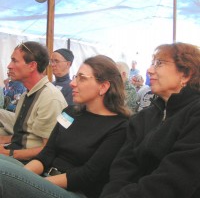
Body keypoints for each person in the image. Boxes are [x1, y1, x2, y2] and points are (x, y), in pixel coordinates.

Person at [0, 55, 130, 198]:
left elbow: (87, 175)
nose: (72, 83)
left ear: (103, 86)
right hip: (46, 178)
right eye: (75, 77)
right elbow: (46, 154)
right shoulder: (69, 113)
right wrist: (22, 179)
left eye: (82, 78)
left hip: (75, 190)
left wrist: (30, 182)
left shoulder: (120, 127)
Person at [100, 42, 200, 198]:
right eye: (152, 63)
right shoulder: (143, 117)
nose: (149, 70)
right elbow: (122, 170)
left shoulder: (195, 113)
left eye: (159, 63)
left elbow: (175, 179)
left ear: (186, 74)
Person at [0, 41, 67, 163]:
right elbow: (27, 136)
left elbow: (49, 149)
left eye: (15, 61)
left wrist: (7, 153)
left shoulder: (50, 98)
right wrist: (4, 140)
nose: (9, 65)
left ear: (32, 66)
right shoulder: (27, 94)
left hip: (27, 166)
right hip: (16, 155)